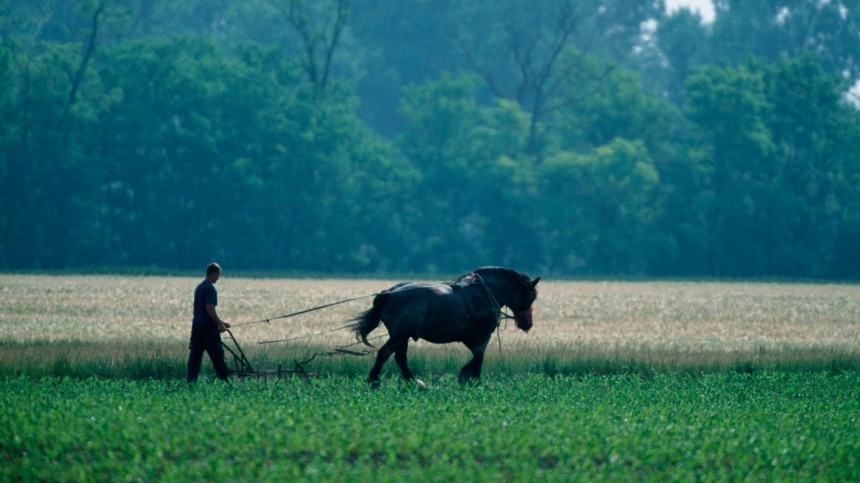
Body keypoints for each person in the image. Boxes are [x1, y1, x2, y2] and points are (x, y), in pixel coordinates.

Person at [187, 262, 231, 382]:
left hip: (196, 327)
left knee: (195, 357)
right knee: (217, 355)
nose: (218, 278)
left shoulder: (199, 287)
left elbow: (202, 310)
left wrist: (221, 321)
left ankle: (191, 382)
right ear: (214, 273)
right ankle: (227, 381)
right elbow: (209, 308)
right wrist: (220, 325)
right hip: (208, 329)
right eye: (218, 275)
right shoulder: (210, 289)